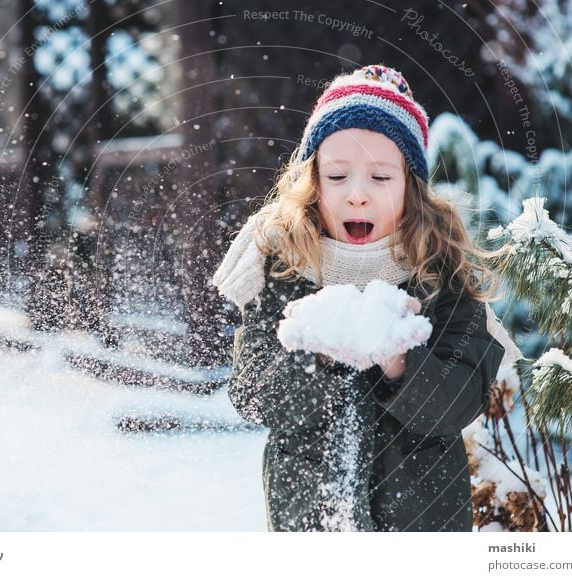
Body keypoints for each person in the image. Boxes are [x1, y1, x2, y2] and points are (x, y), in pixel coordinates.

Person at [212, 64, 519, 532]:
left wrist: (399, 359)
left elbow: (462, 399)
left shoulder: (440, 277)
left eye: (380, 178)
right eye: (337, 177)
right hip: (311, 522)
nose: (357, 195)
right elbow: (257, 397)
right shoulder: (286, 271)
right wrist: (313, 348)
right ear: (313, 185)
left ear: (411, 189)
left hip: (421, 522)